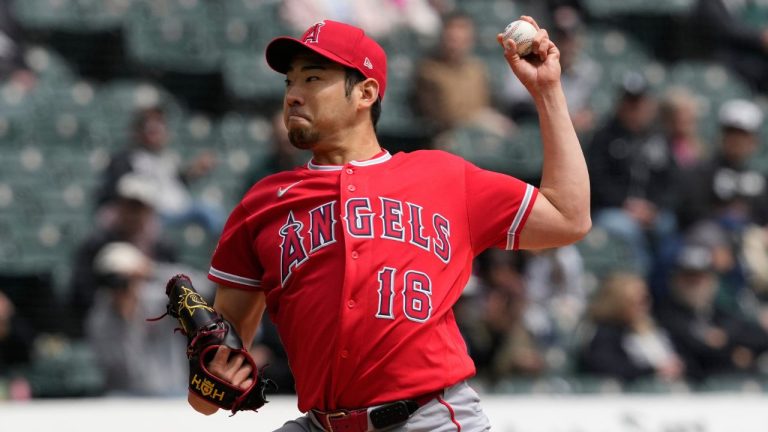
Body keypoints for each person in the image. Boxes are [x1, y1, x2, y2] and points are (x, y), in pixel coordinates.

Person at [190, 17, 590, 431]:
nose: (293, 95)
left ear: (366, 93)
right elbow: (212, 385)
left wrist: (547, 92)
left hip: (427, 419)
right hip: (320, 424)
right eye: (289, 82)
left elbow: (568, 217)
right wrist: (210, 380)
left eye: (312, 78)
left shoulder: (444, 176)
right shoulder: (261, 204)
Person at [586, 72, 680, 277]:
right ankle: (640, 281)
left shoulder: (659, 137)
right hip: (613, 209)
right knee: (626, 230)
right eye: (630, 102)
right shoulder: (604, 137)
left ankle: (662, 284)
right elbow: (596, 181)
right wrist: (626, 204)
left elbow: (672, 181)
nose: (634, 108)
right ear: (620, 103)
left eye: (639, 102)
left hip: (653, 211)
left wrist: (653, 207)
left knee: (668, 226)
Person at [94, 105, 224, 235]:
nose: (156, 133)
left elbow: (173, 184)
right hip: (152, 215)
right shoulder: (126, 159)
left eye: (159, 127)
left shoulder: (167, 158)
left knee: (209, 208)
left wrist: (193, 172)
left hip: (179, 210)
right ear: (138, 132)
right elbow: (121, 191)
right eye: (150, 129)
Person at [655, 243, 768, 381]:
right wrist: (732, 354)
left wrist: (725, 336)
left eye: (700, 277)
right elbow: (698, 353)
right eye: (688, 277)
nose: (694, 283)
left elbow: (759, 336)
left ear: (711, 280)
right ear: (676, 280)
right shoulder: (667, 314)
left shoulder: (717, 311)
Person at [413, 11, 514, 137]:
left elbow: (485, 103)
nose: (456, 44)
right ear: (443, 37)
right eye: (452, 38)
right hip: (447, 134)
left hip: (481, 130)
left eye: (462, 38)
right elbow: (440, 115)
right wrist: (478, 119)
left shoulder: (477, 68)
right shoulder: (429, 70)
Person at [575, 273, 685, 384]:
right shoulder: (603, 334)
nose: (643, 306)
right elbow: (609, 369)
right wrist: (654, 370)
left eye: (645, 299)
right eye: (635, 301)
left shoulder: (656, 330)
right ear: (616, 302)